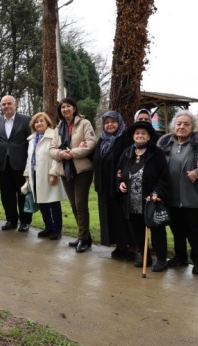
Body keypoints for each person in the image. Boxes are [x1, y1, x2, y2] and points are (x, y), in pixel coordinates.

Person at [157, 109, 198, 274]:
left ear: (192, 127)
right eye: (179, 124)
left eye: (186, 124)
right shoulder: (164, 143)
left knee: (194, 230)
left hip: (191, 196)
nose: (182, 127)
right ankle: (180, 256)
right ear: (173, 126)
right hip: (170, 196)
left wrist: (197, 172)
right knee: (176, 229)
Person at [116, 121, 170, 270]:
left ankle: (161, 260)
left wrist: (155, 193)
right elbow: (119, 172)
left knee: (157, 229)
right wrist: (120, 183)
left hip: (150, 200)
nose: (140, 135)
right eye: (137, 133)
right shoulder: (127, 152)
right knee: (137, 230)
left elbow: (163, 176)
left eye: (144, 133)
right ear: (133, 136)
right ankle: (146, 256)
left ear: (149, 136)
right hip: (132, 201)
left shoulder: (156, 153)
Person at [50, 97, 96, 252]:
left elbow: (91, 143)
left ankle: (82, 239)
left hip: (82, 170)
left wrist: (72, 153)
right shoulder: (58, 128)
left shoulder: (84, 123)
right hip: (65, 170)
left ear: (74, 108)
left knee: (81, 204)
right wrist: (61, 154)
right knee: (74, 205)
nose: (65, 109)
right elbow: (51, 149)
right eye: (62, 107)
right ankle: (86, 237)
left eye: (68, 106)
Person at [92, 111, 133, 256]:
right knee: (110, 216)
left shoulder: (125, 139)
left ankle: (132, 247)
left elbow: (130, 160)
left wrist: (122, 177)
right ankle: (120, 246)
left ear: (119, 122)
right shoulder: (102, 140)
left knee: (123, 217)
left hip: (119, 185)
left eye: (113, 122)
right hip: (104, 185)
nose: (109, 125)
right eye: (106, 122)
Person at [0, 95, 31, 232]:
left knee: (23, 193)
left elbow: (31, 143)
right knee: (7, 194)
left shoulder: (25, 120)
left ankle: (25, 221)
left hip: (21, 164)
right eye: (3, 104)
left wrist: (30, 164)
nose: (6, 106)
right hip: (3, 164)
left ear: (15, 104)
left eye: (9, 103)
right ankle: (11, 220)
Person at [24, 112, 65, 239]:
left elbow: (57, 156)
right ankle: (48, 227)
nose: (39, 124)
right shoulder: (32, 139)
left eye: (41, 121)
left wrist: (53, 174)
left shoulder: (53, 136)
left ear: (47, 122)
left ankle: (57, 230)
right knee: (42, 202)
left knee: (53, 202)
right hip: (35, 174)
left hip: (49, 173)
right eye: (36, 122)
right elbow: (29, 158)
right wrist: (27, 174)